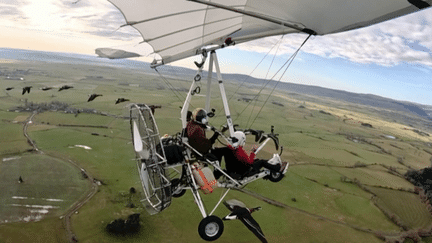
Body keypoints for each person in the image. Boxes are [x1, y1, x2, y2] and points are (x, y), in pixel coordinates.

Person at [215, 131, 286, 178]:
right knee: (261, 162)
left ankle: (271, 166)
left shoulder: (228, 149)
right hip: (243, 172)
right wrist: (252, 152)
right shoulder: (238, 151)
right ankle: (278, 168)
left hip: (233, 170)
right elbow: (249, 162)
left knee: (257, 160)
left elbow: (217, 151)